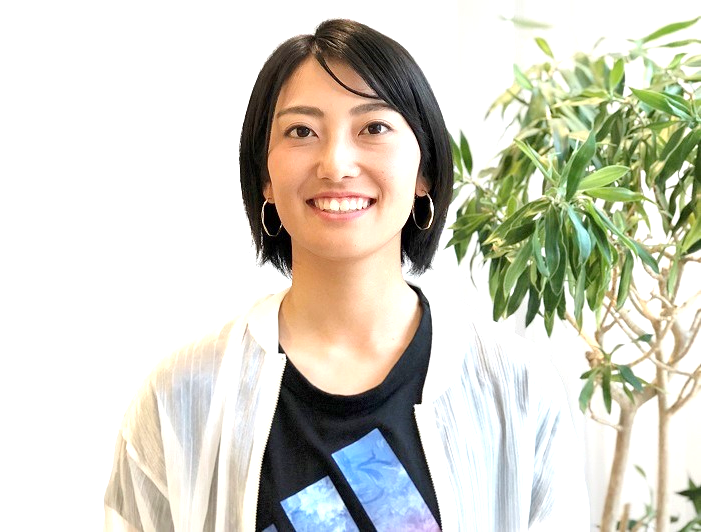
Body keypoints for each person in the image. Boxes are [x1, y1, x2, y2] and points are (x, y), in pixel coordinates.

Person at [104, 19, 589, 531]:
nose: (335, 164)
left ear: (424, 170)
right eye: (301, 131)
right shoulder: (182, 396)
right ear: (265, 176)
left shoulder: (514, 386)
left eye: (373, 128)